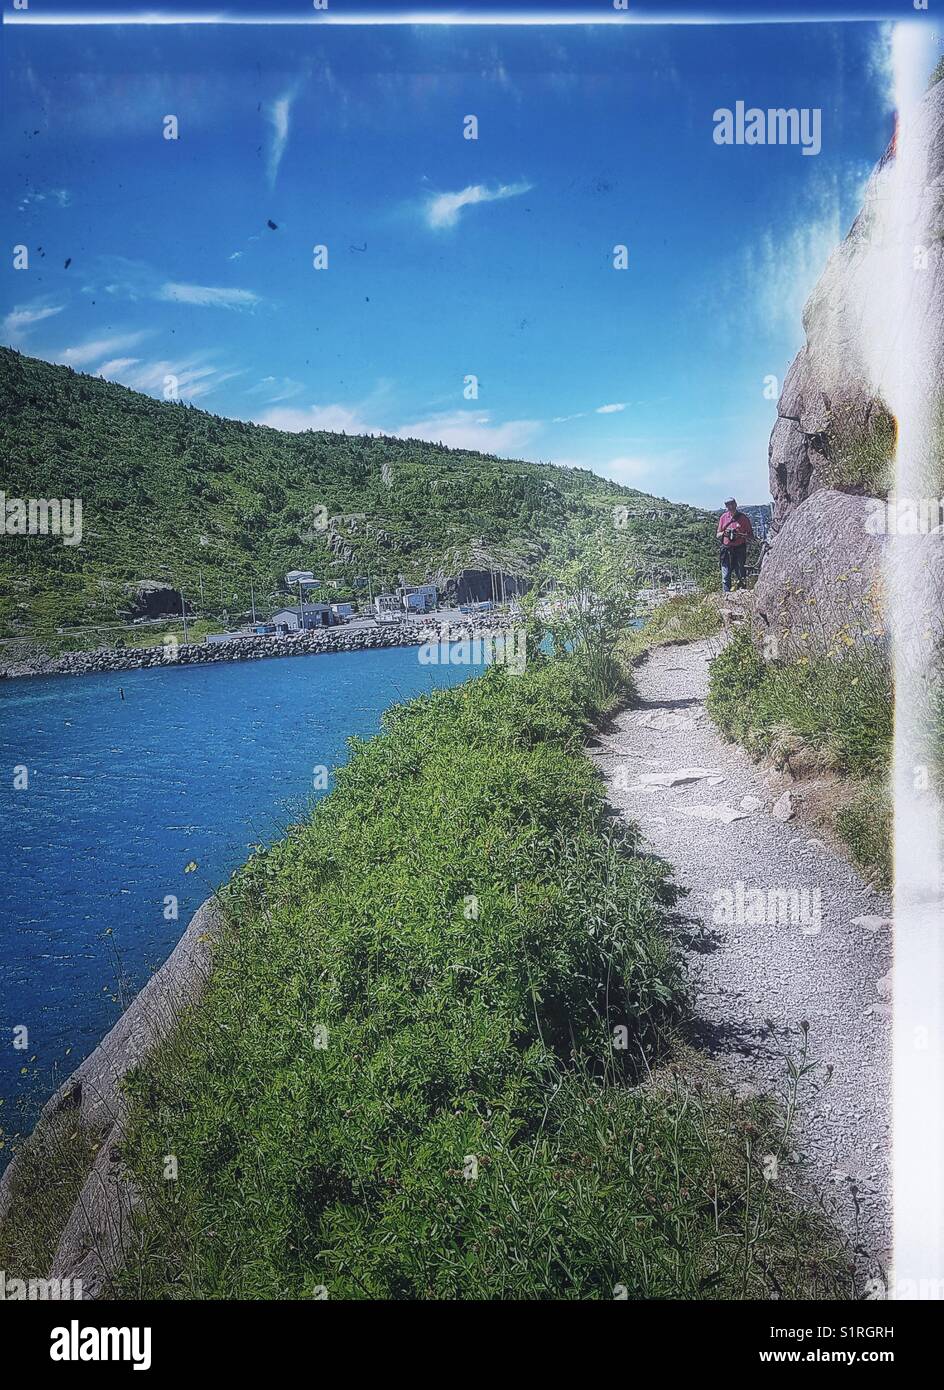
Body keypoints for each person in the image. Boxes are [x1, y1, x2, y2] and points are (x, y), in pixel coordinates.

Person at [716, 497, 753, 592]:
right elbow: (718, 534)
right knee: (725, 575)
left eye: (732, 504)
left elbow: (750, 536)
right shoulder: (723, 517)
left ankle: (742, 593)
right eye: (728, 505)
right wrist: (725, 533)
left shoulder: (743, 518)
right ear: (726, 506)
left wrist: (740, 535)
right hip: (726, 549)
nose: (731, 506)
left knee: (740, 572)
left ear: (736, 504)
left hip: (739, 549)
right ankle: (726, 595)